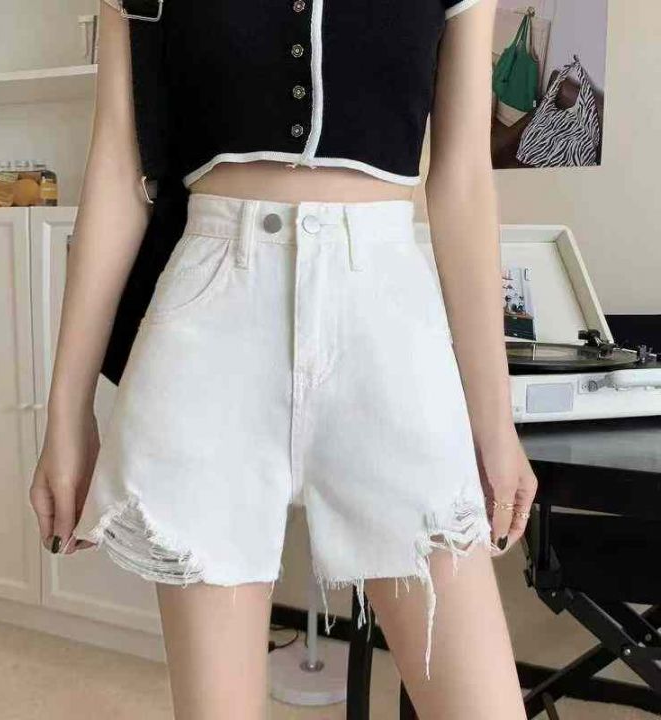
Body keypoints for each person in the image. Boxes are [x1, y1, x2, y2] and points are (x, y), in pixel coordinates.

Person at [29, 0, 537, 717]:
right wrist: (67, 410)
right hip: (209, 329)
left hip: (388, 325)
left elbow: (462, 183)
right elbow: (119, 167)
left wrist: (495, 424)